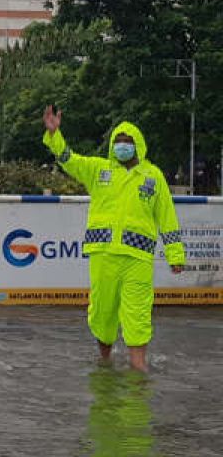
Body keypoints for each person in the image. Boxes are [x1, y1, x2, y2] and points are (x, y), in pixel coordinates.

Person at [42, 106, 185, 372]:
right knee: (102, 311)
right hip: (104, 254)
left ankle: (138, 367)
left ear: (138, 145)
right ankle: (104, 361)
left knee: (137, 312)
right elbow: (68, 159)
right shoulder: (99, 170)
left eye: (127, 142)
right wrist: (55, 134)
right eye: (118, 142)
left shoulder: (153, 177)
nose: (122, 146)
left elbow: (168, 218)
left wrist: (176, 255)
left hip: (137, 259)